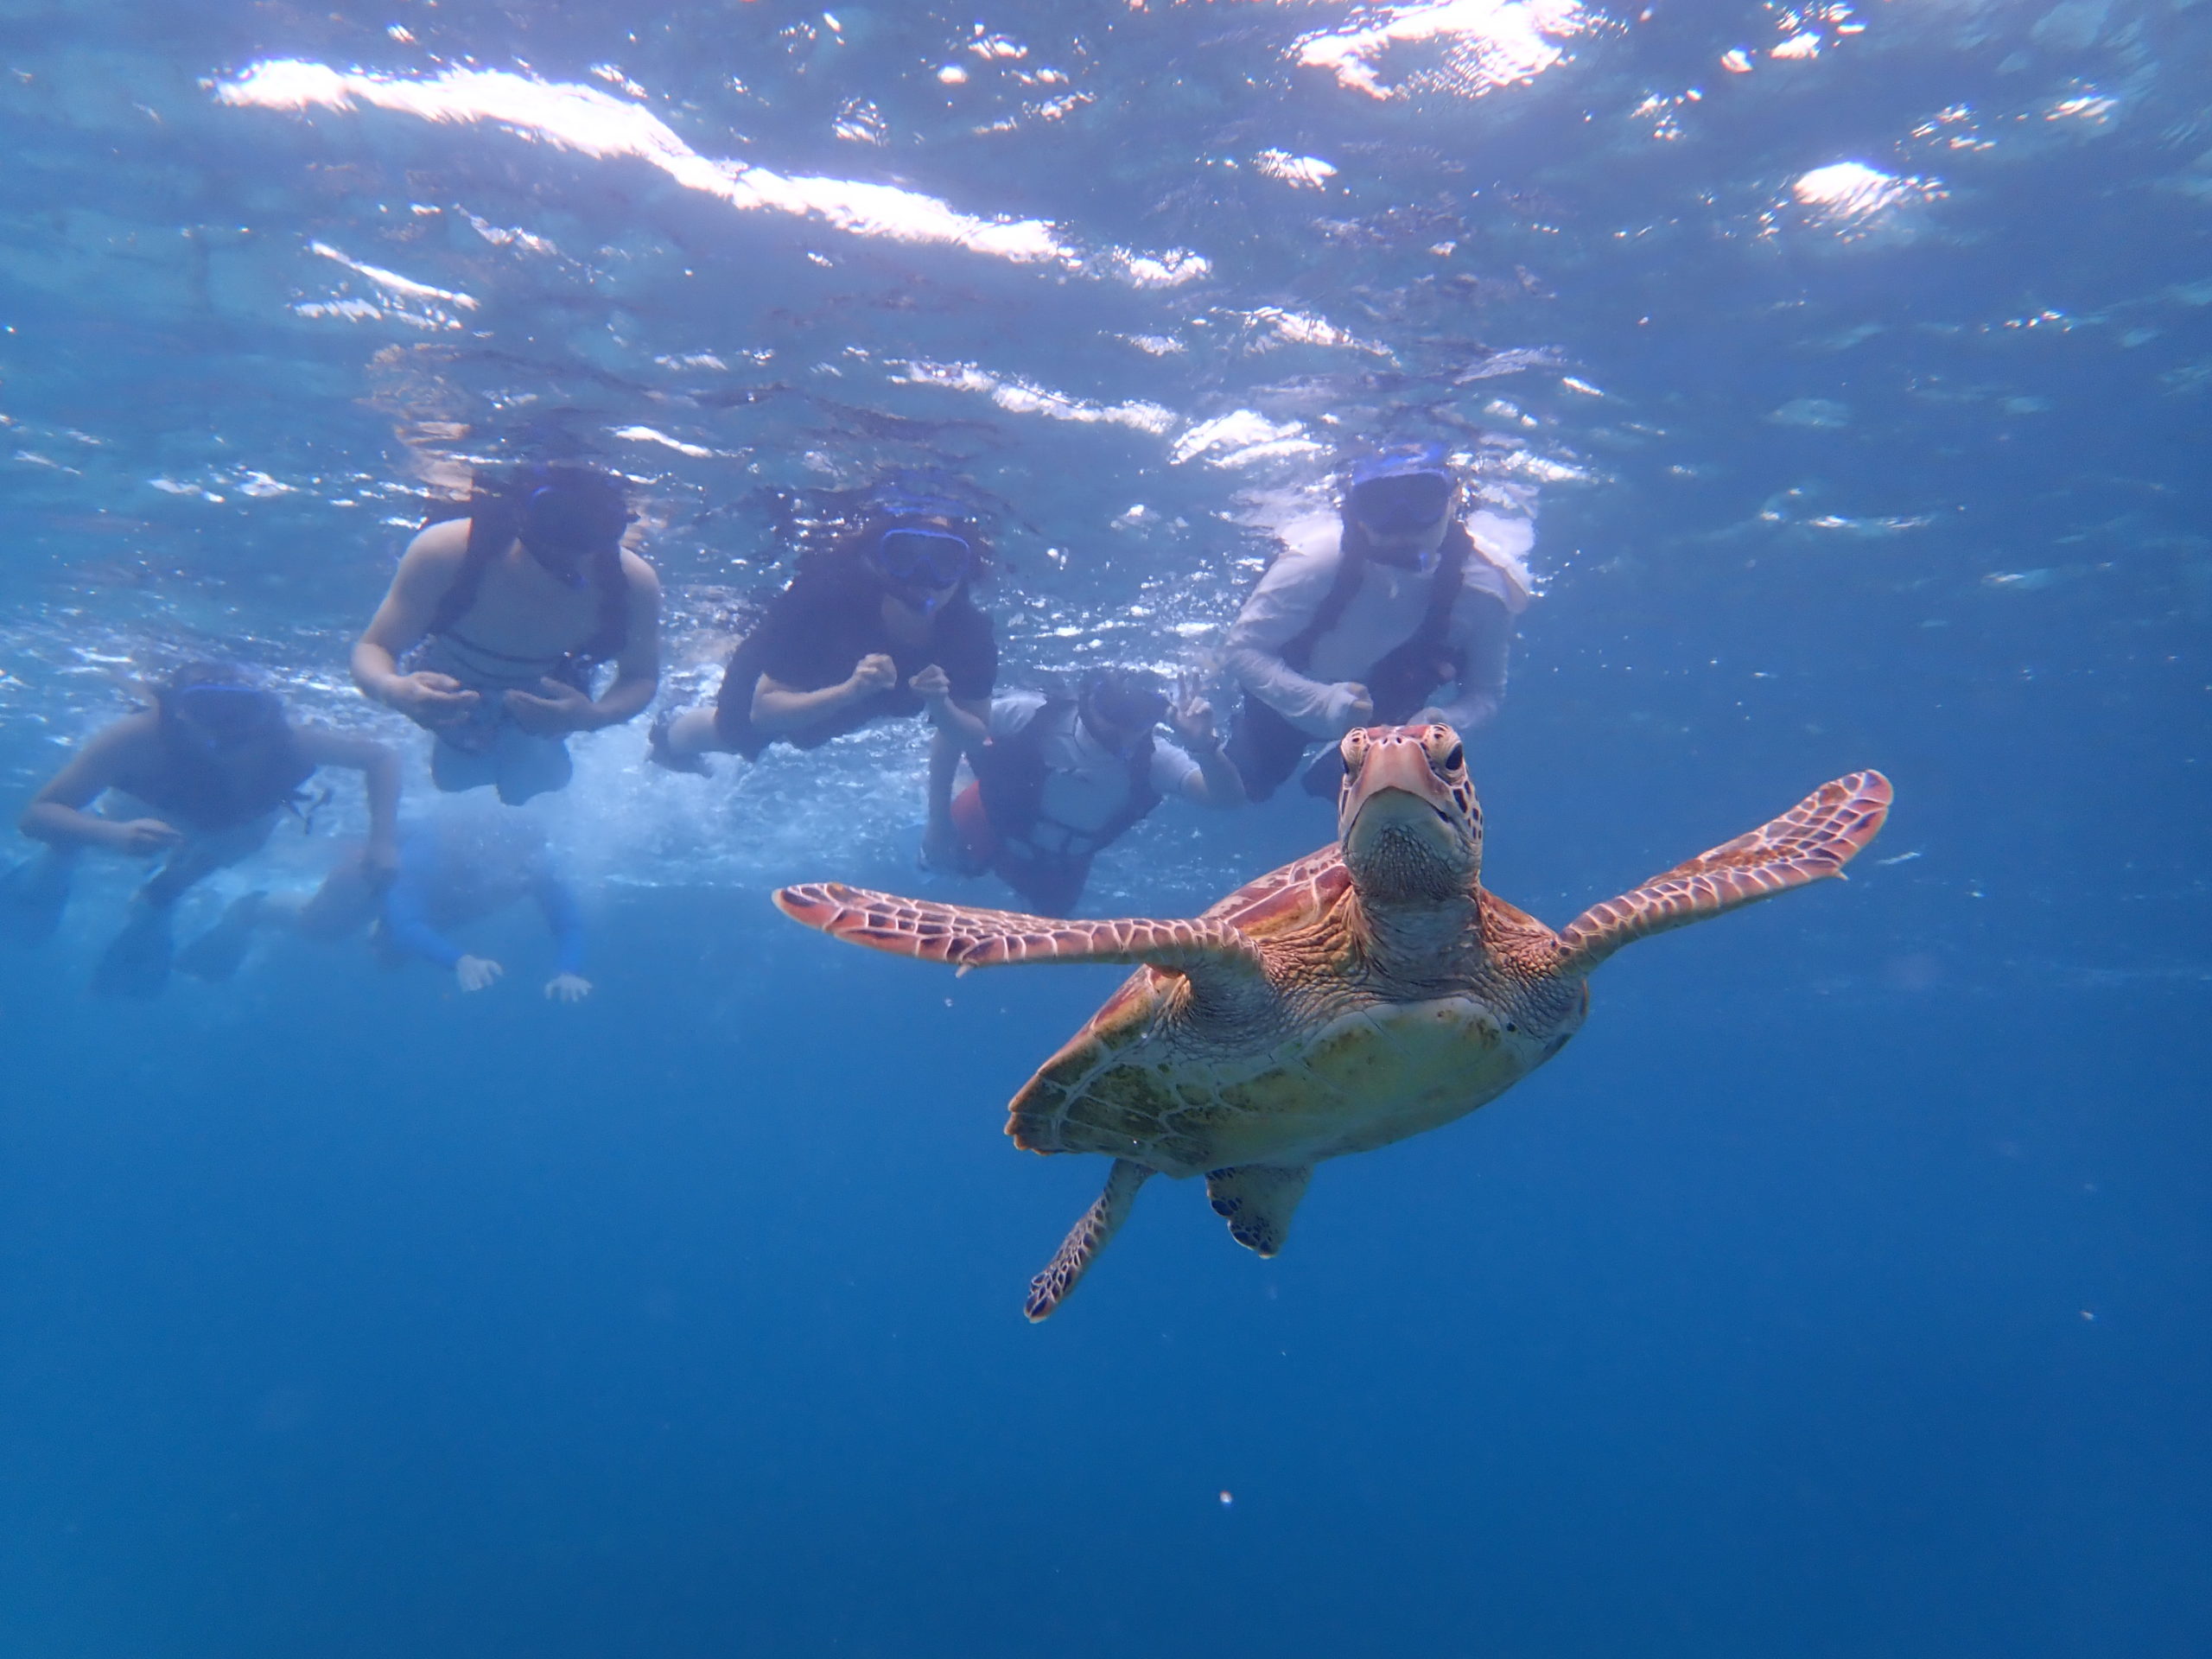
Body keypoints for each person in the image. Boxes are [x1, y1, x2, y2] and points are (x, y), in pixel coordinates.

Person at [2, 663, 401, 997]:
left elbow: (381, 757)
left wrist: (382, 840)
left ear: (266, 714)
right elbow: (37, 814)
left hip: (234, 825)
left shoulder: (289, 742)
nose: (227, 730)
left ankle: (163, 893)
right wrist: (109, 835)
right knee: (77, 829)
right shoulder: (139, 737)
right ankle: (64, 854)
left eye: (242, 713)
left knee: (230, 842)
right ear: (176, 713)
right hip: (143, 805)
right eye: (208, 709)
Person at [650, 511, 997, 867]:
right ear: (880, 561)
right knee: (737, 734)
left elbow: (971, 734)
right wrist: (848, 691)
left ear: (965, 571)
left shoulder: (971, 634)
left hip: (867, 685)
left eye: (945, 561)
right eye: (905, 556)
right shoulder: (826, 598)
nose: (925, 579)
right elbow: (765, 713)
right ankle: (667, 735)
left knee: (808, 736)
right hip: (797, 666)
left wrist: (941, 708)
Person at [1224, 444, 1535, 801]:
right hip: (1282, 706)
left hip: (1391, 724)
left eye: (1422, 498)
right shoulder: (1316, 562)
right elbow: (1241, 648)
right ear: (1354, 511)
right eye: (1377, 503)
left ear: (1453, 498)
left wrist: (1437, 724)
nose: (1401, 524)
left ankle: (1342, 769)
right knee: (1245, 788)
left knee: (1383, 796)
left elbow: (1484, 694)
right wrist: (1319, 701)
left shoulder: (1485, 588)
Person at [352, 461, 662, 805]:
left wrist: (594, 717)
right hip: (459, 688)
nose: (571, 542)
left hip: (547, 694)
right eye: (556, 515)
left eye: (596, 522)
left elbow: (641, 677)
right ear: (520, 511)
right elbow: (375, 647)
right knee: (454, 781)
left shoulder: (631, 583)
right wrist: (393, 689)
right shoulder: (448, 550)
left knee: (533, 785)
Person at [935, 667, 1246, 916]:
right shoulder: (1031, 714)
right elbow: (950, 733)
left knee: (1048, 927)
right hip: (984, 818)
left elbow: (1226, 800)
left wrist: (1205, 748)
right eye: (1114, 709)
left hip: (1059, 865)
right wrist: (936, 822)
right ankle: (964, 784)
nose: (1122, 729)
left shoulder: (1153, 760)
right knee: (938, 864)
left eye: (1139, 716)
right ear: (1089, 698)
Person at [370, 809, 592, 1001]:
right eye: (517, 850)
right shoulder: (430, 846)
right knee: (386, 951)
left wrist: (568, 970)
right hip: (388, 888)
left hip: (441, 909)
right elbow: (405, 922)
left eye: (530, 849)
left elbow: (567, 923)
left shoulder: (539, 863)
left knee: (390, 951)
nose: (523, 864)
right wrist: (458, 960)